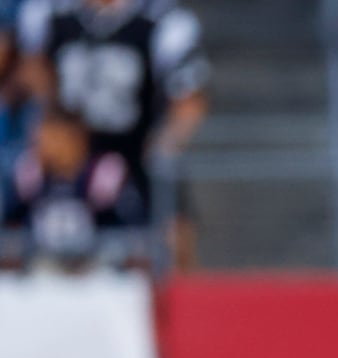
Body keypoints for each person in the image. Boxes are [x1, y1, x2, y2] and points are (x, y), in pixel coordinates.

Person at [16, 0, 210, 264]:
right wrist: (52, 127)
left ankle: (176, 302)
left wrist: (163, 147)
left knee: (174, 231)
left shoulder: (162, 20)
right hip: (71, 161)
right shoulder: (51, 12)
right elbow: (32, 70)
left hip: (134, 155)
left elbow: (189, 100)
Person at [2, 104, 145, 270]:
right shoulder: (30, 174)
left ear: (75, 137)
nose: (40, 145)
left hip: (97, 270)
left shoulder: (103, 172)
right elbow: (10, 228)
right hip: (40, 272)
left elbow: (135, 230)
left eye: (50, 137)